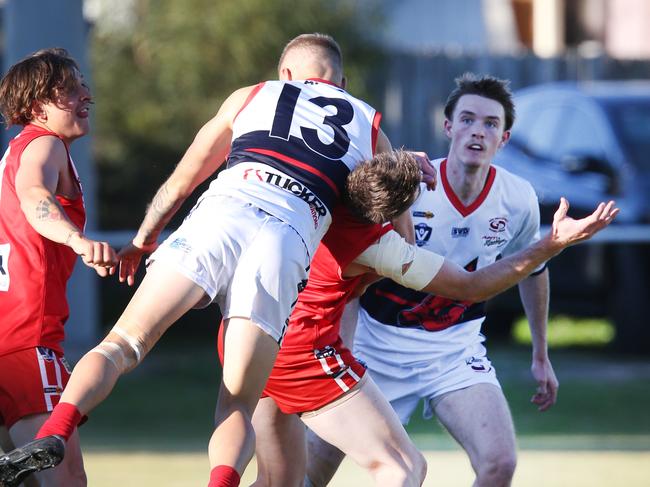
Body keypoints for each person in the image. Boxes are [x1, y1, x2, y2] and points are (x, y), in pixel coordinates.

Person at [0, 33, 435, 487]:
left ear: (284, 75)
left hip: (223, 212)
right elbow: (401, 243)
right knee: (238, 402)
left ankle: (57, 429)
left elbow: (182, 181)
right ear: (341, 82)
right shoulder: (371, 126)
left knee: (121, 345)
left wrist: (144, 239)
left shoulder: (253, 95)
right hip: (285, 241)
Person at [246, 153, 618, 487]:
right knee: (403, 468)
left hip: (265, 336)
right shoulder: (377, 247)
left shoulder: (330, 207)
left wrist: (398, 163)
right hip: (309, 354)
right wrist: (551, 243)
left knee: (277, 481)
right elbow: (472, 286)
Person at [304, 73, 567, 487]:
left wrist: (541, 353)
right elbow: (353, 269)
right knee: (308, 472)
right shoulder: (413, 189)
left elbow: (532, 269)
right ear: (448, 127)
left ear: (506, 138)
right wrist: (345, 349)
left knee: (500, 464)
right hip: (378, 346)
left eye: (490, 124)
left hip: (454, 350)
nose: (477, 131)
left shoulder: (518, 199)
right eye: (467, 119)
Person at [0, 48, 117, 487]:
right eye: (67, 89)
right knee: (66, 478)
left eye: (81, 84)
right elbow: (34, 196)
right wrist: (77, 239)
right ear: (37, 107)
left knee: (28, 478)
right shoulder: (43, 143)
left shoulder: (13, 152)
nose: (85, 94)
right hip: (26, 341)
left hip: (5, 338)